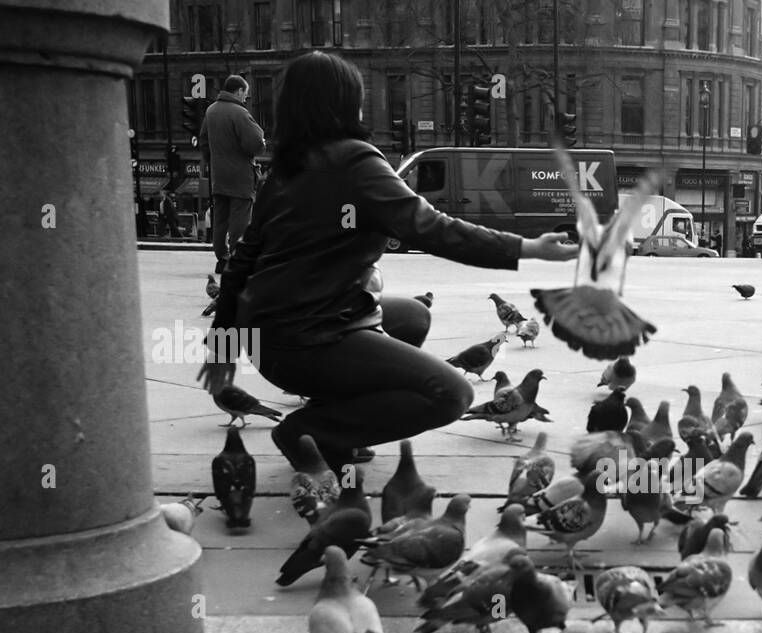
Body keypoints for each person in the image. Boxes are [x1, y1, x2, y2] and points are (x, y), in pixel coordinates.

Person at [197, 51, 578, 477]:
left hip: (275, 337)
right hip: (309, 339)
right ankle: (310, 430)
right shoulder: (355, 162)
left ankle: (339, 419)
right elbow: (433, 228)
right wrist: (526, 247)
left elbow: (243, 259)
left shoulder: (289, 167)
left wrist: (224, 346)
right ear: (342, 103)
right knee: (451, 394)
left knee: (413, 315)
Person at [199, 75, 265, 276]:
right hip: (240, 176)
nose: (246, 96)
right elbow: (255, 142)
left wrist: (213, 160)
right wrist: (262, 144)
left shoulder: (210, 111)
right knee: (240, 218)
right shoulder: (240, 113)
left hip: (219, 176)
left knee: (220, 218)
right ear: (238, 91)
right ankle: (237, 257)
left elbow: (203, 141)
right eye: (245, 92)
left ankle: (221, 257)